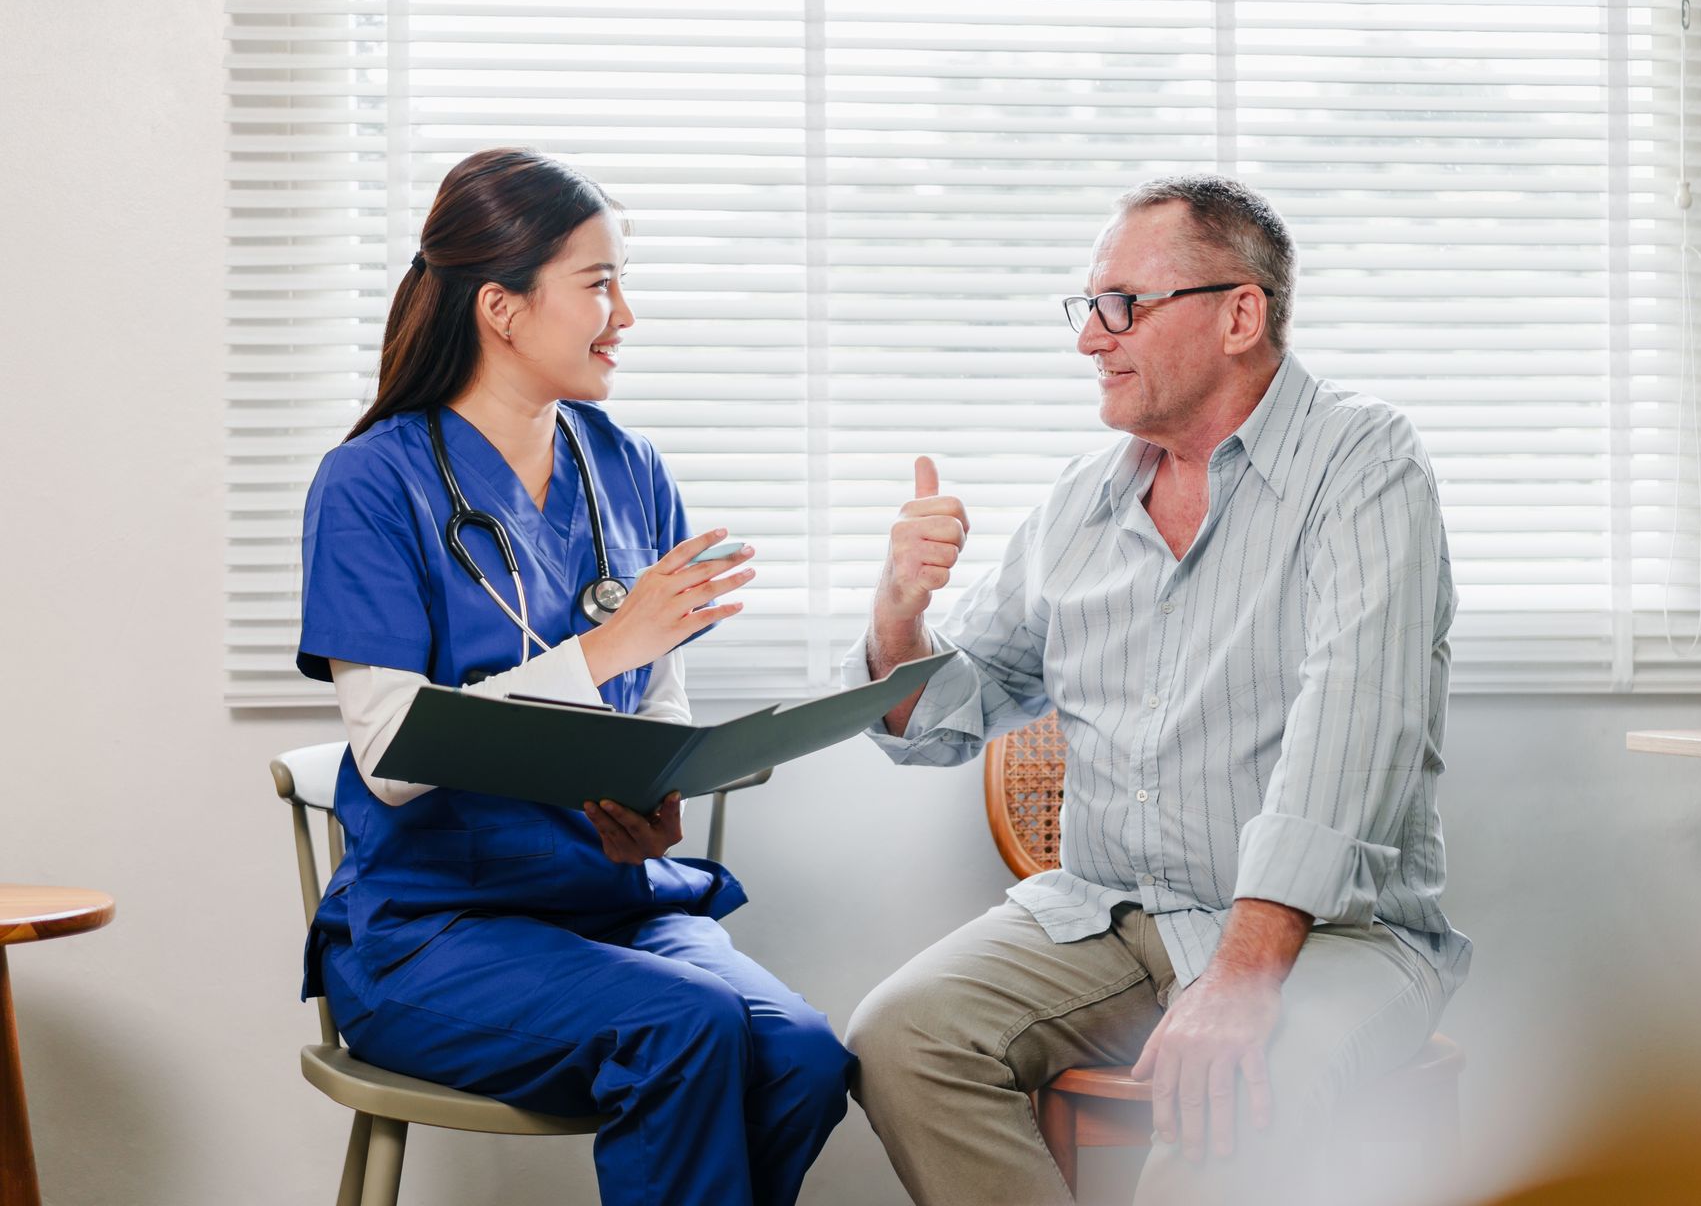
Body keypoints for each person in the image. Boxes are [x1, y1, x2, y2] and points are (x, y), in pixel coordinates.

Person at [843, 174, 1471, 1205]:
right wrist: (900, 608)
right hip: (1110, 914)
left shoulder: (1366, 466)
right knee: (902, 1035)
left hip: (1331, 930)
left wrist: (1242, 973)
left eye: (1122, 304)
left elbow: (1353, 729)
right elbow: (942, 719)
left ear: (1239, 314)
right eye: (1088, 307)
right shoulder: (1078, 505)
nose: (1092, 337)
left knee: (1227, 1097)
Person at [296, 148, 850, 1206]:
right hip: (435, 929)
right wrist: (606, 649)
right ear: (502, 306)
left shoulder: (628, 466)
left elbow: (663, 700)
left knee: (804, 1055)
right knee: (684, 1028)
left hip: (614, 902)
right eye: (599, 283)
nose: (625, 314)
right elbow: (395, 760)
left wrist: (654, 798)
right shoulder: (370, 483)